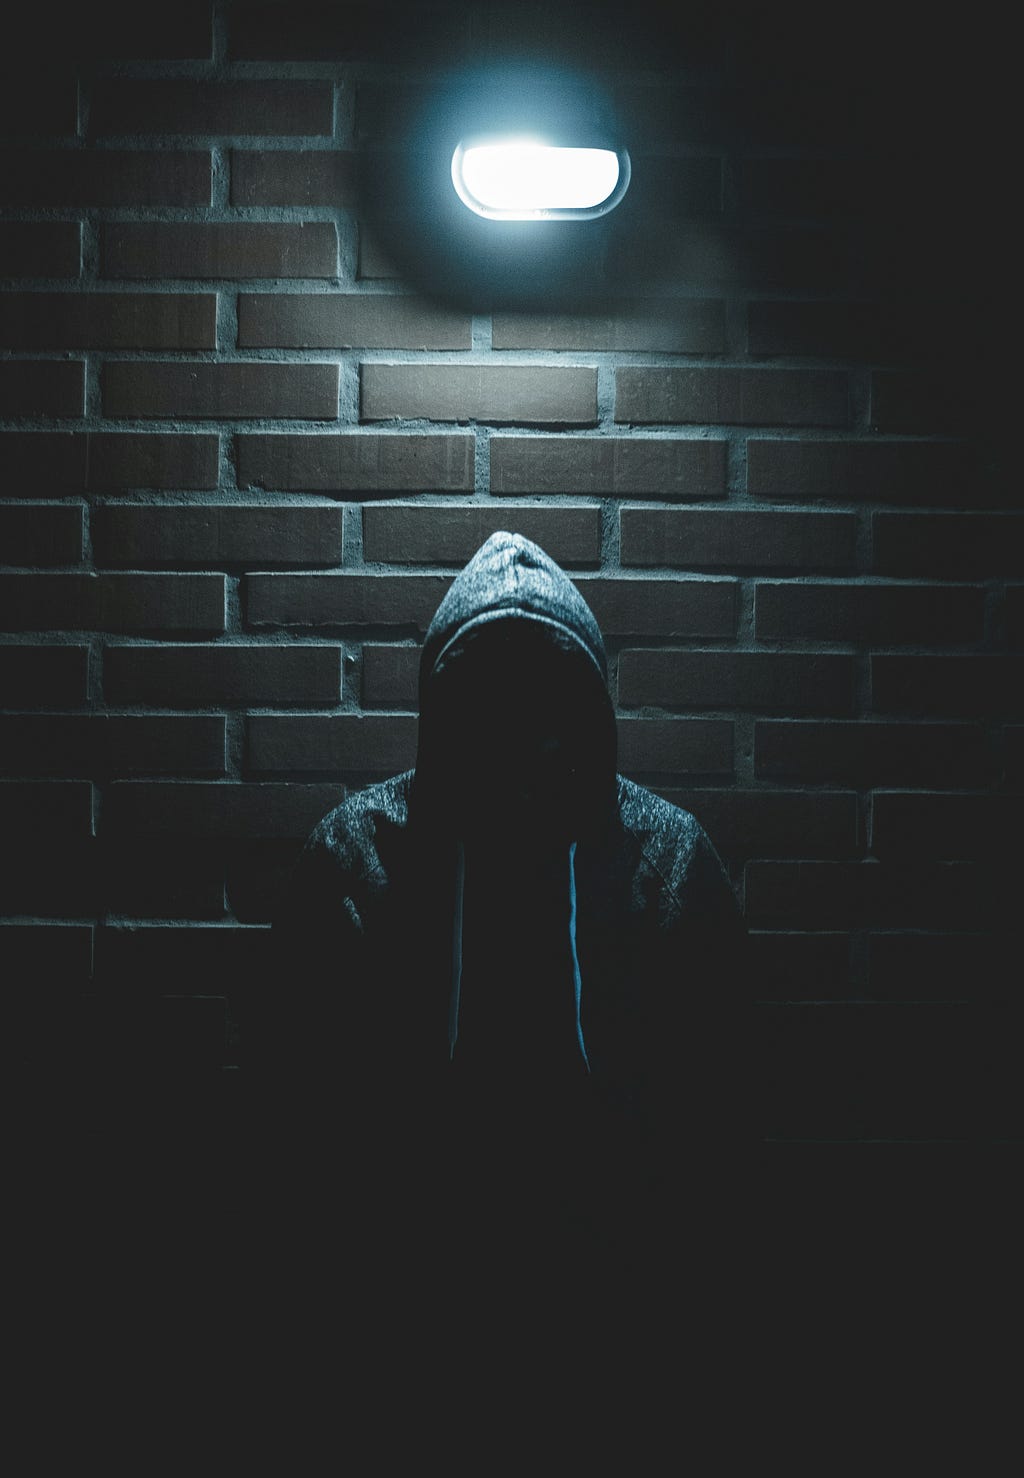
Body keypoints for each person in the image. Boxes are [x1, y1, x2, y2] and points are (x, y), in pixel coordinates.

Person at [268, 530, 747, 1295]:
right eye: (492, 710)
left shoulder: (668, 862)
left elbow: (724, 1126)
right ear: (449, 719)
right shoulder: (356, 858)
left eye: (546, 712)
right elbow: (292, 1122)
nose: (522, 749)